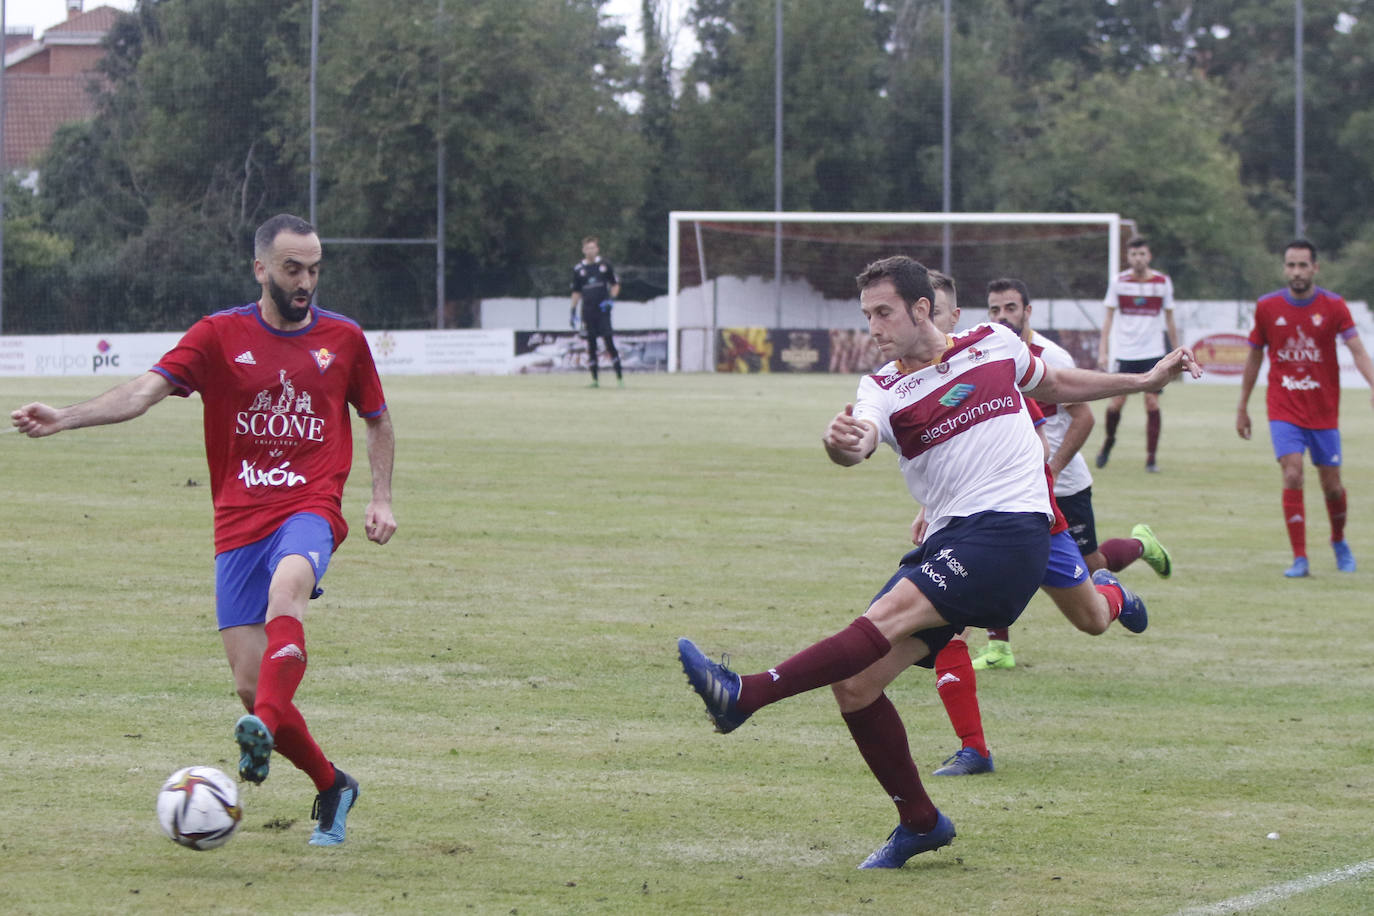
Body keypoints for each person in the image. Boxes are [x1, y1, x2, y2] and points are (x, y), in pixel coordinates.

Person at [677, 255, 1200, 868]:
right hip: (952, 540)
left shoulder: (992, 343)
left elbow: (1054, 386)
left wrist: (1143, 381)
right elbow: (862, 438)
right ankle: (921, 821)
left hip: (1011, 532)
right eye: (867, 314)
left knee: (892, 617)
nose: (872, 326)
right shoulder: (880, 386)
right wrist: (841, 445)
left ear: (921, 308)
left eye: (884, 312)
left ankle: (747, 695)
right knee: (856, 685)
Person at [10, 213, 396, 847]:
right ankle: (331, 784)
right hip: (239, 521)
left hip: (311, 506)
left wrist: (380, 498)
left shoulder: (345, 340)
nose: (306, 281)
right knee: (251, 684)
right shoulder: (219, 335)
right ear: (261, 269)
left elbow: (378, 420)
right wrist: (65, 418)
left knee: (287, 593)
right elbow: (142, 393)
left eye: (315, 269)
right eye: (293, 268)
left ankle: (264, 735)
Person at [920, 272, 1150, 778]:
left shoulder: (988, 363)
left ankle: (1113, 592)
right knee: (939, 621)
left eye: (930, 313)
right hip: (965, 526)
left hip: (1030, 521)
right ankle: (974, 749)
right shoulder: (910, 379)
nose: (922, 324)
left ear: (951, 319)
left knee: (1090, 620)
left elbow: (1040, 441)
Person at [969, 277, 1174, 672]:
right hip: (1016, 484)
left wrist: (1054, 467)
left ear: (1028, 311)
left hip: (1063, 483)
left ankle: (1140, 545)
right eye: (995, 309)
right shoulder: (989, 355)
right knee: (995, 554)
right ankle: (999, 647)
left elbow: (1084, 417)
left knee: (1091, 566)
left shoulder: (1051, 357)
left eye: (1010, 308)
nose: (1002, 316)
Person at [1237, 238, 1374, 578]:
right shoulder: (1267, 307)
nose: (1296, 272)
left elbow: (1356, 349)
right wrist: (1242, 406)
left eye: (1302, 265)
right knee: (1293, 472)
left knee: (1332, 485)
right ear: (1285, 268)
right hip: (1284, 406)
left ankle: (1339, 540)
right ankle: (1300, 558)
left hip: (1324, 410)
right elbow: (1254, 356)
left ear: (1315, 268)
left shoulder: (1334, 305)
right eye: (1291, 265)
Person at [1096, 236, 1179, 472]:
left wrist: (1177, 352)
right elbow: (1108, 318)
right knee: (1115, 404)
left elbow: (1170, 320)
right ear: (1128, 257)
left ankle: (1151, 459)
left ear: (1149, 256)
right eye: (1134, 255)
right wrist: (1104, 350)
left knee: (1152, 403)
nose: (1138, 258)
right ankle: (1109, 441)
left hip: (1153, 352)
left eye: (1142, 254)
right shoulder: (1119, 282)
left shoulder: (1162, 282)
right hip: (1125, 353)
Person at [570, 235, 623, 388]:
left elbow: (615, 285)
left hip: (602, 311)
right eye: (588, 248)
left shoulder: (605, 265)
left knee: (609, 342)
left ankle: (619, 378)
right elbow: (576, 292)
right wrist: (572, 310)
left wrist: (611, 300)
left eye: (593, 248)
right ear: (583, 250)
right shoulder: (579, 269)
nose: (591, 251)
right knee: (591, 345)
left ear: (597, 249)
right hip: (587, 312)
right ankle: (595, 380)